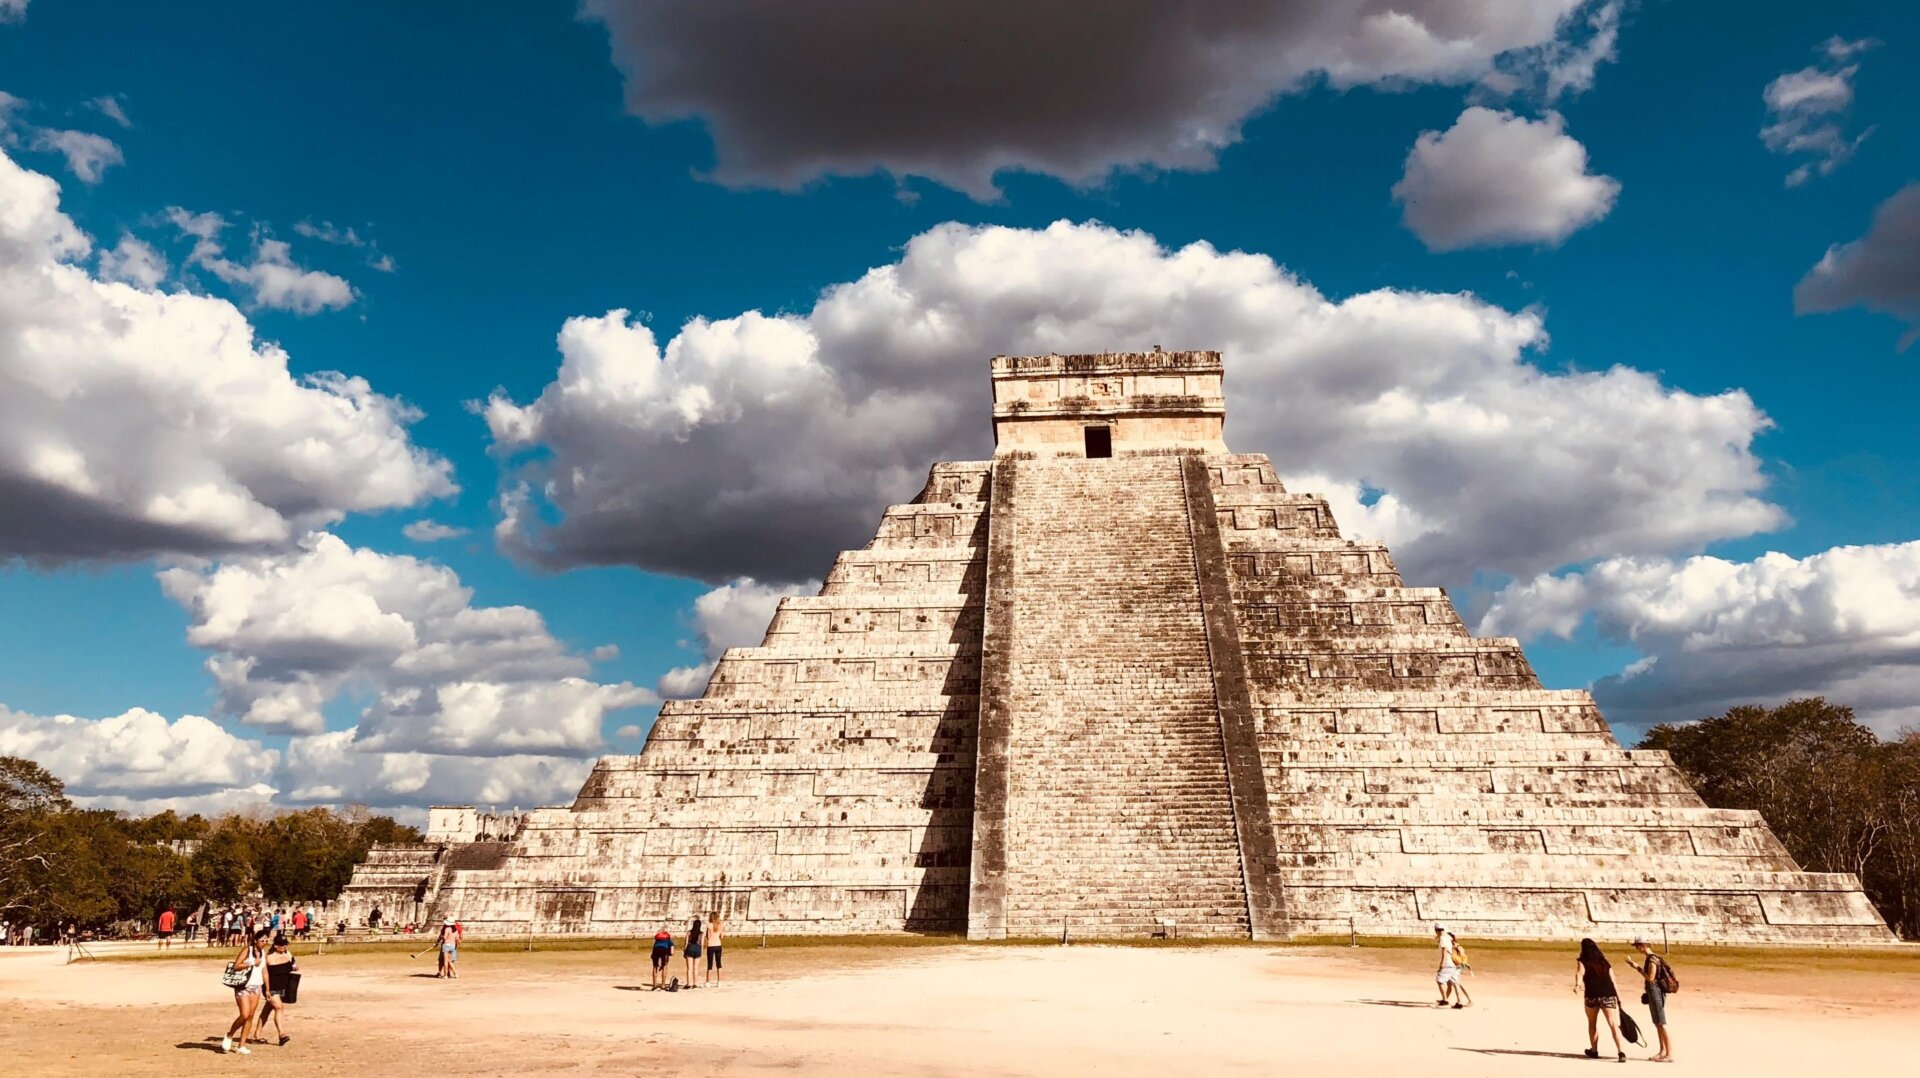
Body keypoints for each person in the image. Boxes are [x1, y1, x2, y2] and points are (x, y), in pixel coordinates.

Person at [1575, 938, 1628, 1062]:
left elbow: (1579, 973)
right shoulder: (1604, 962)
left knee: (1592, 1023)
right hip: (1608, 994)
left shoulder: (1583, 961)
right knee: (1613, 1024)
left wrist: (1577, 985)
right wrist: (1618, 997)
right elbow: (1613, 980)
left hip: (1592, 995)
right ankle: (1621, 1052)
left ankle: (1594, 1050)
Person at [222, 928, 269, 1055]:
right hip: (243, 985)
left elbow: (264, 971)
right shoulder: (247, 950)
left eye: (266, 940)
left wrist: (268, 988)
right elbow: (236, 965)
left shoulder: (264, 953)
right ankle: (230, 1034)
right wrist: (252, 963)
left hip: (256, 986)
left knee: (250, 1016)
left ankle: (241, 1045)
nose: (264, 943)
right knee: (244, 1014)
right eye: (262, 940)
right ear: (255, 940)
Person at [1628, 936, 1674, 1063]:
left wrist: (1637, 968)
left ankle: (1669, 1053)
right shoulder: (1651, 958)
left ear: (1643, 945)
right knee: (1657, 1023)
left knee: (1661, 1023)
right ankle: (1662, 1051)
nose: (1637, 948)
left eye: (1637, 946)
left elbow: (1651, 978)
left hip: (1656, 992)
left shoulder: (1652, 959)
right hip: (1653, 992)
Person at [258, 934, 298, 1046]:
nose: (284, 947)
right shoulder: (268, 957)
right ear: (275, 945)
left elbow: (296, 968)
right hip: (270, 987)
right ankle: (282, 1034)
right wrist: (267, 989)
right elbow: (263, 973)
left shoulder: (289, 955)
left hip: (281, 987)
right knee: (279, 1007)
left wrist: (293, 964)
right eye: (281, 945)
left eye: (285, 944)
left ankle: (256, 1035)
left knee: (266, 1011)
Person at [1432, 924, 1469, 1008]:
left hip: (1448, 963)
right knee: (1455, 983)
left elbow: (1444, 951)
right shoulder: (1449, 937)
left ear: (1437, 930)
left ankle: (1445, 1000)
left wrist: (1442, 963)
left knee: (1440, 981)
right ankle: (1459, 1002)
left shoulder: (1442, 938)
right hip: (1455, 964)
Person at [649, 923, 674, 990]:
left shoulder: (657, 940)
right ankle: (663, 985)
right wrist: (669, 955)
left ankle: (654, 985)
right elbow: (672, 952)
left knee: (655, 967)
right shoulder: (669, 940)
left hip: (656, 950)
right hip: (664, 950)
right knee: (664, 966)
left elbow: (654, 948)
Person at [683, 915, 704, 988]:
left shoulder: (689, 932)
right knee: (696, 968)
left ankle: (689, 983)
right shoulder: (701, 933)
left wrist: (684, 951)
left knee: (689, 968)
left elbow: (686, 943)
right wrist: (701, 952)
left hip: (690, 948)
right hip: (697, 948)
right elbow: (702, 943)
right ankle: (695, 983)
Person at [704, 913, 724, 987]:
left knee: (710, 964)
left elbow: (708, 937)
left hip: (711, 945)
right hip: (718, 945)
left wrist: (707, 935)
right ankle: (719, 982)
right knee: (719, 963)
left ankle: (708, 982)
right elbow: (722, 936)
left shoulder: (710, 925)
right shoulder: (720, 925)